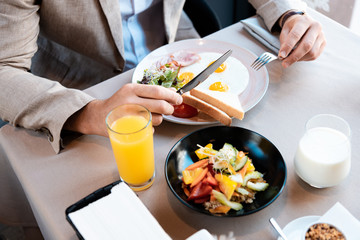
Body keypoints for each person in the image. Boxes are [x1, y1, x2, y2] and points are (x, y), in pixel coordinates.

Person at [0, 0, 325, 154]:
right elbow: (4, 71)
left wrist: (289, 13)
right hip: (81, 84)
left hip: (176, 49)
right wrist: (88, 112)